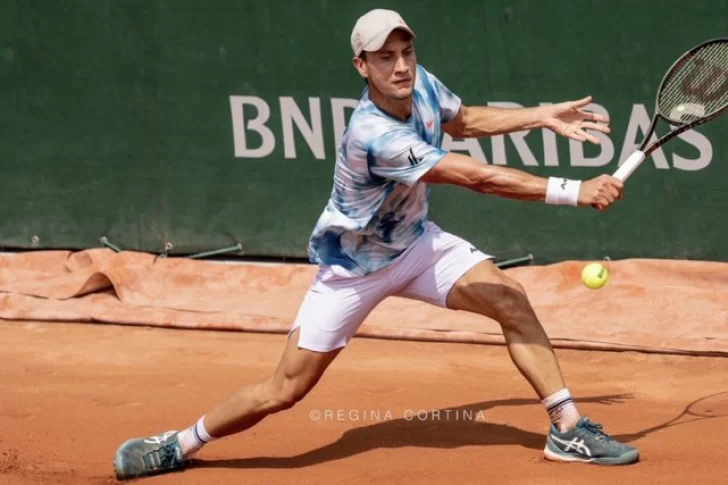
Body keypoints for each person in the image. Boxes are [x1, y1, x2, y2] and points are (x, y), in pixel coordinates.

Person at [113, 8, 638, 480]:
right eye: (385, 57)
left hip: (415, 245)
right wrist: (575, 190)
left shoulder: (420, 84)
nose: (402, 66)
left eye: (407, 53)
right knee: (284, 390)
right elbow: (476, 178)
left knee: (510, 298)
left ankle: (566, 427)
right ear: (361, 66)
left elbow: (466, 120)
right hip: (353, 269)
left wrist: (539, 115)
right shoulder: (373, 133)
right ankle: (180, 443)